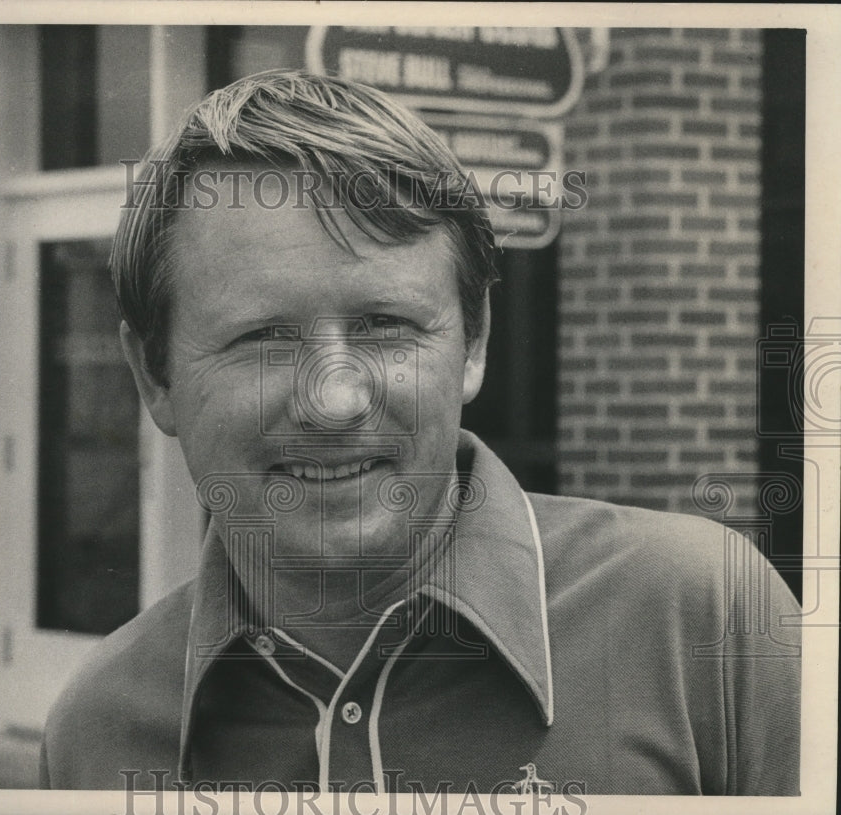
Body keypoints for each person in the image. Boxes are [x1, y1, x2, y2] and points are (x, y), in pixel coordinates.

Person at [40, 70, 800, 796]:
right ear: (154, 376)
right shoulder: (94, 732)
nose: (334, 398)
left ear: (472, 344)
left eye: (384, 325)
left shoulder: (707, 624)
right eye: (265, 337)